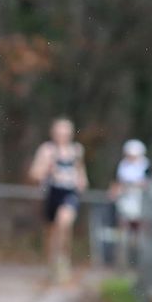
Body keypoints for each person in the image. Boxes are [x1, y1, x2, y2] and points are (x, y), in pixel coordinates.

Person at [27, 117, 88, 284]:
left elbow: (81, 173)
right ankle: (52, 265)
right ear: (53, 133)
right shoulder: (47, 150)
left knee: (64, 223)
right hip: (51, 193)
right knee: (51, 232)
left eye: (65, 132)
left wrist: (82, 182)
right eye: (59, 132)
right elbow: (34, 174)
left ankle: (63, 262)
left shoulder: (76, 151)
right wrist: (46, 168)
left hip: (69, 193)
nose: (62, 135)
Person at [110, 138, 149, 267]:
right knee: (123, 232)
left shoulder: (146, 165)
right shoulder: (123, 165)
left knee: (139, 233)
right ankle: (123, 262)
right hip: (126, 203)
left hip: (141, 204)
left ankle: (139, 262)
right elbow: (118, 183)